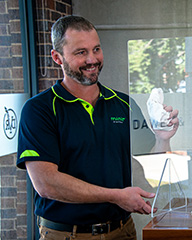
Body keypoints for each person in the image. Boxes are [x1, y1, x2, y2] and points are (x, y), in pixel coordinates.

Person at [17, 15, 179, 240]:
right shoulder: (39, 110)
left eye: (96, 49)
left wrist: (163, 138)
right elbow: (46, 183)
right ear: (57, 57)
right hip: (67, 235)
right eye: (80, 52)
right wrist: (116, 196)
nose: (92, 59)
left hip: (122, 231)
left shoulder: (124, 104)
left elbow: (153, 172)